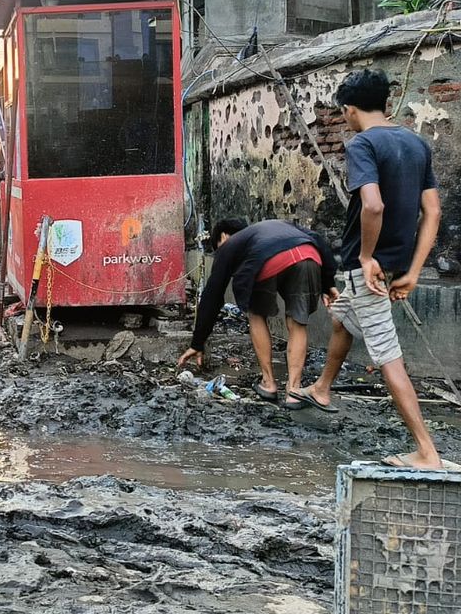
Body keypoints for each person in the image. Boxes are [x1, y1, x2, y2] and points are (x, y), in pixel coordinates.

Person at [296, 69, 443, 469]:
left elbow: (373, 205)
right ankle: (323, 389)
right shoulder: (416, 143)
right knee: (342, 318)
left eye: (344, 113)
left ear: (350, 109)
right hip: (396, 265)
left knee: (387, 354)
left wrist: (365, 257)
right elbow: (432, 212)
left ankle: (427, 451)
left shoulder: (362, 143)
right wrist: (414, 270)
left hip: (371, 270)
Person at [179, 219, 336, 408]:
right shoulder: (278, 226)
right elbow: (317, 238)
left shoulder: (229, 245)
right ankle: (294, 391)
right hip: (307, 255)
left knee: (256, 315)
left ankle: (268, 383)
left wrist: (197, 342)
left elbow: (212, 294)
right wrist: (328, 284)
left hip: (266, 260)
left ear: (222, 237)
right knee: (297, 323)